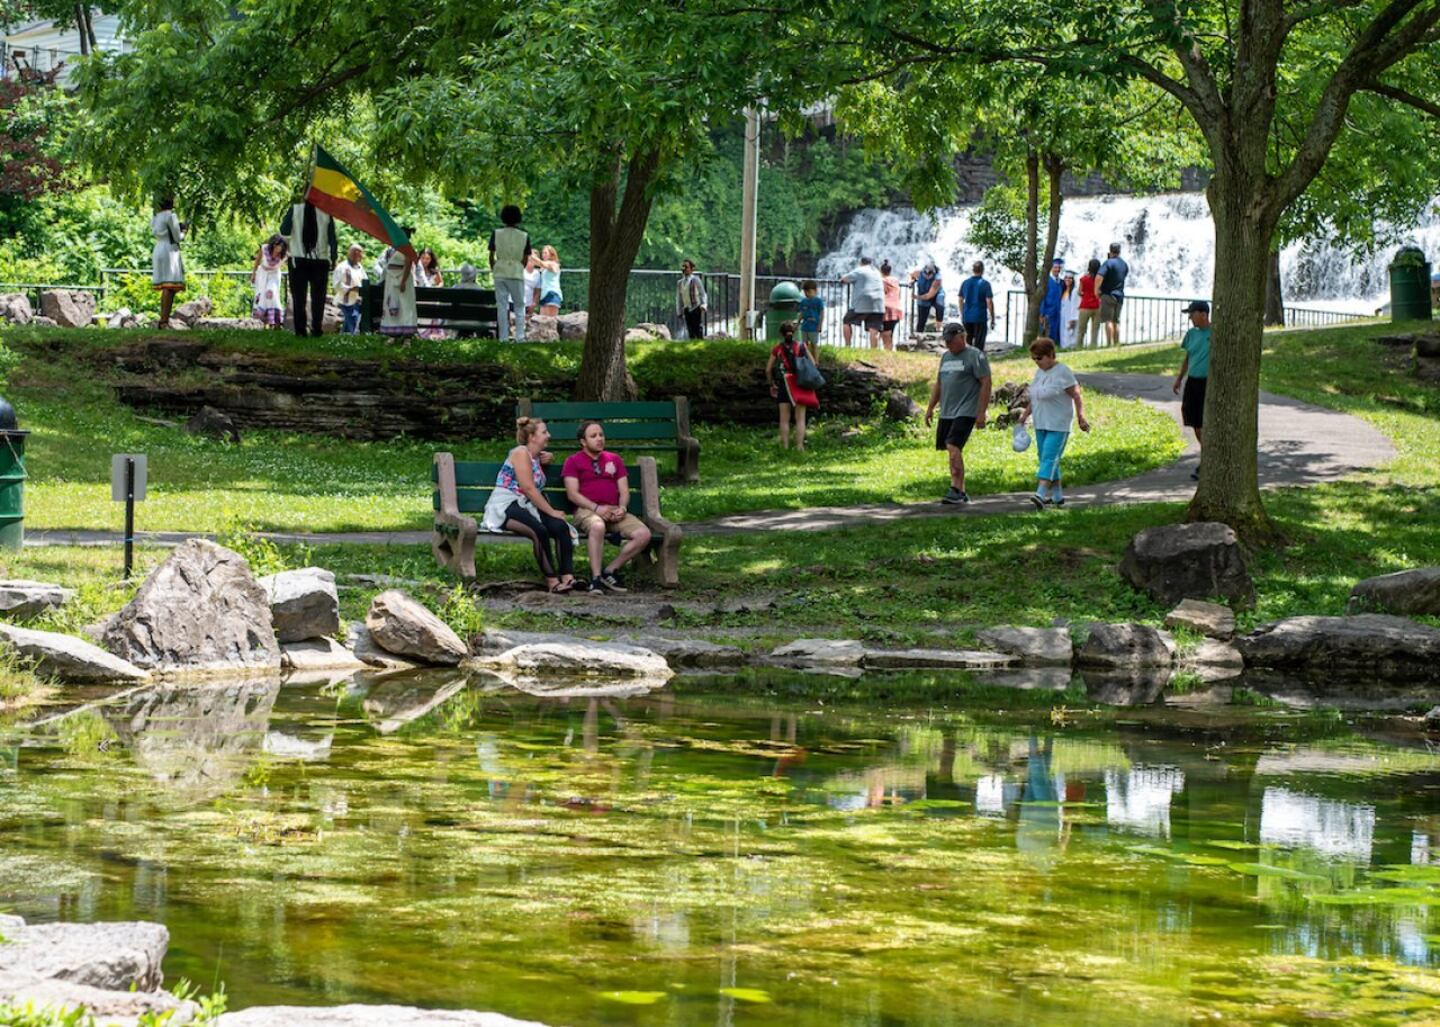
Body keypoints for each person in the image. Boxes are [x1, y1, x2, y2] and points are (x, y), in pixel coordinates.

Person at [482, 417, 577, 594]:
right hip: (506, 505)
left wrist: (545, 460)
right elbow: (528, 488)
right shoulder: (520, 452)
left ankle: (568, 577)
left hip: (528, 505)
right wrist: (552, 511)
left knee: (560, 527)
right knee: (538, 531)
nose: (549, 435)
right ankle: (552, 581)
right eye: (544, 432)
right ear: (532, 437)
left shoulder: (535, 457)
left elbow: (533, 485)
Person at [563, 421, 653, 594]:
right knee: (597, 526)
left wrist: (622, 508)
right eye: (593, 436)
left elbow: (624, 491)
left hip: (614, 511)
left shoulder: (614, 459)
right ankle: (596, 579)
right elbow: (572, 494)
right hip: (587, 511)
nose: (599, 439)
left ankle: (610, 571)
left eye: (601, 435)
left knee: (643, 534)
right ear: (583, 442)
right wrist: (596, 508)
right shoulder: (573, 461)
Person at [1017, 337, 1089, 509]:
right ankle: (1057, 497)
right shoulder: (1039, 373)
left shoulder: (1063, 371)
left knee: (1049, 457)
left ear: (1050, 355)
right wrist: (1025, 415)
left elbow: (1076, 395)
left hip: (1058, 423)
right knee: (1046, 458)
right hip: (1041, 422)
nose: (1037, 362)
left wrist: (1081, 416)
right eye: (1034, 359)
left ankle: (1040, 494)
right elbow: (1035, 397)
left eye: (1039, 358)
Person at [924, 322, 991, 505]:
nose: (948, 344)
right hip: (947, 411)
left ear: (962, 337)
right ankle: (961, 490)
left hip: (966, 410)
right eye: (946, 341)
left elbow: (986, 382)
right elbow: (939, 384)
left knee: (953, 445)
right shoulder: (945, 357)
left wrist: (981, 412)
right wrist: (930, 408)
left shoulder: (975, 356)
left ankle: (955, 489)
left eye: (951, 341)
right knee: (951, 448)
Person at [280, 198, 338, 337]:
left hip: (298, 259)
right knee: (318, 298)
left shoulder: (295, 209)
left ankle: (300, 330)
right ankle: (316, 329)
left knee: (299, 297)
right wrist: (333, 257)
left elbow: (284, 230)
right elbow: (332, 238)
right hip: (320, 259)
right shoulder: (326, 212)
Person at [1173, 300, 1211, 481]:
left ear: (1203, 314)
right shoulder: (1191, 334)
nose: (1190, 317)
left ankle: (1208, 460)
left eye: (1192, 313)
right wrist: (1179, 378)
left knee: (1205, 421)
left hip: (1208, 382)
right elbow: (1188, 357)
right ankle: (1208, 455)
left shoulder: (1215, 333)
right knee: (1194, 420)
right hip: (1193, 381)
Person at [765, 321, 815, 451]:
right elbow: (813, 363)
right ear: (794, 332)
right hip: (799, 383)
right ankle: (799, 446)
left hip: (784, 383)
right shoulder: (802, 346)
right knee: (800, 418)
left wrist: (771, 383)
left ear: (781, 334)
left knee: (784, 419)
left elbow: (768, 369)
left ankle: (785, 447)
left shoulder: (777, 349)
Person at [489, 205, 532, 342]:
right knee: (519, 305)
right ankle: (520, 336)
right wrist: (519, 266)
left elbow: (491, 254)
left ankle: (503, 337)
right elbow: (525, 257)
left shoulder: (496, 233)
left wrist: (494, 267)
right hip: (516, 272)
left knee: (502, 306)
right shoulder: (524, 236)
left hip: (500, 271)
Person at [150, 197, 186, 329]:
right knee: (169, 287)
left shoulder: (155, 216)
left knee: (167, 286)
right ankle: (164, 320)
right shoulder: (171, 215)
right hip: (169, 251)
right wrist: (184, 231)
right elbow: (177, 237)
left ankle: (164, 319)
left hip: (158, 248)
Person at [840, 256, 885, 348]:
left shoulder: (859, 270)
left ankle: (847, 346)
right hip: (878, 303)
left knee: (846, 321)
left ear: (861, 263)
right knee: (874, 328)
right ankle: (874, 350)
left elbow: (844, 279)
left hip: (862, 302)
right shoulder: (877, 272)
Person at [379, 238, 417, 342]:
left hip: (403, 279)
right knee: (392, 304)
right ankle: (393, 334)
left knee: (405, 306)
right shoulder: (390, 249)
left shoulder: (407, 248)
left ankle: (407, 337)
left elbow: (408, 263)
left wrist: (403, 281)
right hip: (391, 280)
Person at [250, 234, 288, 329]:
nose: (278, 249)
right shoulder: (264, 249)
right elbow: (257, 261)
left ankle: (276, 320)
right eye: (276, 246)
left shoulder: (284, 255)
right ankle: (265, 322)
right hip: (262, 274)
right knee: (262, 297)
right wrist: (253, 274)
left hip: (274, 275)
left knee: (270, 292)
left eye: (280, 246)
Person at [959, 261, 995, 351]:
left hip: (967, 316)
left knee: (967, 342)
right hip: (980, 317)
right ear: (983, 270)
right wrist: (992, 317)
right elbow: (989, 301)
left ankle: (967, 358)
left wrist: (962, 313)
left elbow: (960, 299)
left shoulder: (965, 283)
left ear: (973, 270)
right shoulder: (985, 284)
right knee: (979, 344)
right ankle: (977, 358)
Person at [1099, 242, 1129, 346]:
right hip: (1119, 296)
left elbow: (1099, 277)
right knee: (1116, 322)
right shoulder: (1124, 264)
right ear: (1119, 251)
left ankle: (1109, 344)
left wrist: (1096, 290)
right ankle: (1117, 344)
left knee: (1108, 321)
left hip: (1108, 295)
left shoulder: (1108, 263)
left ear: (1110, 251)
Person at [332, 243, 366, 334]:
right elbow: (337, 284)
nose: (359, 256)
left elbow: (364, 280)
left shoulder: (360, 267)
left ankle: (346, 337)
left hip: (357, 301)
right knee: (350, 321)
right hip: (344, 301)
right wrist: (350, 289)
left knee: (353, 322)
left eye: (360, 253)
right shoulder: (342, 267)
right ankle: (347, 336)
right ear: (350, 253)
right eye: (355, 253)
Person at [415, 247, 446, 339]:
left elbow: (441, 283)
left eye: (427, 258)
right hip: (419, 299)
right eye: (423, 258)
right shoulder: (415, 270)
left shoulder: (434, 271)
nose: (425, 261)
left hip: (431, 298)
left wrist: (435, 289)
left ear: (431, 259)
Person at [676, 259, 707, 340]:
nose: (684, 269)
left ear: (691, 269)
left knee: (698, 328)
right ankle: (692, 343)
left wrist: (704, 304)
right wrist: (679, 311)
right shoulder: (680, 283)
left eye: (686, 267)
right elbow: (679, 298)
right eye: (683, 267)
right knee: (690, 330)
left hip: (696, 307)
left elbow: (702, 293)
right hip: (686, 308)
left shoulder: (696, 280)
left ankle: (700, 343)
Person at [911, 262, 945, 332]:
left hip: (934, 295)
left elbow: (929, 295)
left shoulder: (937, 279)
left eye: (929, 274)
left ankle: (939, 326)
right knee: (922, 318)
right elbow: (911, 276)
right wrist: (912, 280)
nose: (927, 276)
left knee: (940, 303)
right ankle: (919, 331)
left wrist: (916, 297)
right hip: (923, 293)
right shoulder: (918, 273)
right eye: (925, 274)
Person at [1077, 258, 1102, 348]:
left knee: (1081, 329)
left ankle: (1079, 346)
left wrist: (1085, 295)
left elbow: (1079, 292)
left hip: (1085, 306)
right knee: (1095, 330)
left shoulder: (1083, 279)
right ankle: (1093, 347)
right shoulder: (1100, 280)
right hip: (1097, 306)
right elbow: (1101, 292)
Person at [879, 261, 902, 351]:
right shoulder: (895, 280)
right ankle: (889, 350)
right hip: (897, 308)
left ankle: (887, 351)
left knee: (886, 333)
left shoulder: (882, 281)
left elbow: (882, 292)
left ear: (881, 271)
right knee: (890, 332)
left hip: (887, 308)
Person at [1039, 258, 1064, 339]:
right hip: (1048, 313)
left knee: (1058, 334)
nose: (1057, 270)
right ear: (1051, 268)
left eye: (1059, 268)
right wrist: (1041, 314)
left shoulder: (1061, 282)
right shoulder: (1046, 282)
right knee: (1047, 334)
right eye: (1055, 267)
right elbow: (1042, 299)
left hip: (1058, 313)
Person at [535, 245, 562, 316]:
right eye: (542, 253)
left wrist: (532, 256)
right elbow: (538, 263)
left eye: (545, 253)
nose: (543, 255)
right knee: (542, 320)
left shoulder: (554, 264)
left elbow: (541, 263)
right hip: (544, 295)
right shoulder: (543, 268)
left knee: (551, 320)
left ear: (551, 254)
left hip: (552, 293)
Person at [798, 280, 825, 350]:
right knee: (804, 345)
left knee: (814, 344)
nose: (807, 294)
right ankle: (806, 356)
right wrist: (798, 322)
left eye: (809, 292)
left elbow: (822, 314)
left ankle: (815, 357)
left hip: (814, 327)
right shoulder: (803, 301)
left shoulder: (818, 301)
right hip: (805, 326)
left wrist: (820, 325)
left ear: (815, 291)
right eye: (805, 292)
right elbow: (802, 313)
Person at [1059, 273, 1080, 350]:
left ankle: (1070, 349)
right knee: (1064, 333)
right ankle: (1064, 348)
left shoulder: (1074, 291)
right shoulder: (1064, 291)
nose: (1067, 279)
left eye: (1070, 278)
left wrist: (1073, 319)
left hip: (1071, 317)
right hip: (1063, 316)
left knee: (1071, 334)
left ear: (1073, 280)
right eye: (1066, 278)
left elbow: (1075, 306)